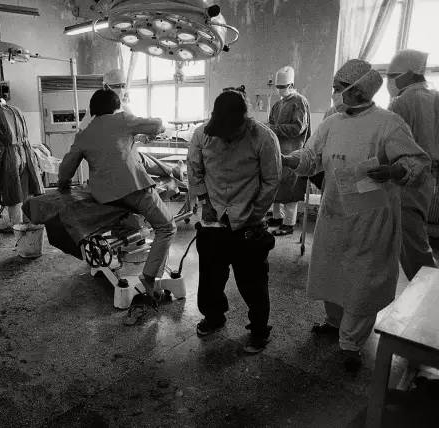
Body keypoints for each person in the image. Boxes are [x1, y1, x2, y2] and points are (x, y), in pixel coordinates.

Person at [282, 59, 431, 372]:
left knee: (362, 280)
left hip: (370, 219)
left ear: (358, 90)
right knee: (332, 271)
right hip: (335, 213)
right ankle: (335, 322)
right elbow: (311, 157)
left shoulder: (388, 123)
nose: (334, 93)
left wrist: (394, 170)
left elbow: (418, 161)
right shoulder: (332, 123)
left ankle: (351, 344)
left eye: (338, 88)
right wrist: (289, 159)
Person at [58, 89, 175, 316]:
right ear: (116, 106)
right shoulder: (123, 119)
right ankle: (149, 277)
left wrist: (63, 186)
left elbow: (66, 169)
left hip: (103, 195)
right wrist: (157, 127)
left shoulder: (84, 133)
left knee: (140, 164)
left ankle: (127, 236)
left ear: (92, 109)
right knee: (166, 227)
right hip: (133, 188)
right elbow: (156, 125)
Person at [187, 89, 281, 354]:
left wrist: (255, 213)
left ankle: (259, 330)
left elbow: (272, 180)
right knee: (210, 277)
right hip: (214, 219)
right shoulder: (202, 134)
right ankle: (214, 317)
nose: (226, 136)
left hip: (248, 221)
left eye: (232, 131)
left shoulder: (263, 137)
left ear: (244, 120)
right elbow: (194, 169)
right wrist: (204, 202)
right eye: (222, 131)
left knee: (253, 282)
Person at [387, 49, 438, 280]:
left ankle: (429, 293)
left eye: (392, 76)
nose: (389, 81)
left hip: (407, 180)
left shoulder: (402, 103)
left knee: (413, 244)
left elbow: (389, 146)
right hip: (428, 180)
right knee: (413, 237)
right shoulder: (434, 97)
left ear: (408, 74)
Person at [0, 89, 44, 226]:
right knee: (25, 188)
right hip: (25, 152)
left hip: (10, 156)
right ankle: (28, 223)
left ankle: (16, 225)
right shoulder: (17, 110)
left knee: (13, 191)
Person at [267, 66, 311, 236]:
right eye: (277, 87)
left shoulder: (299, 102)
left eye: (282, 87)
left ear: (291, 85)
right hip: (277, 152)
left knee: (291, 189)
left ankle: (289, 223)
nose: (279, 90)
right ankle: (277, 218)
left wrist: (276, 129)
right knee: (276, 186)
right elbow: (271, 124)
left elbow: (299, 128)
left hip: (293, 153)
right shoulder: (278, 104)